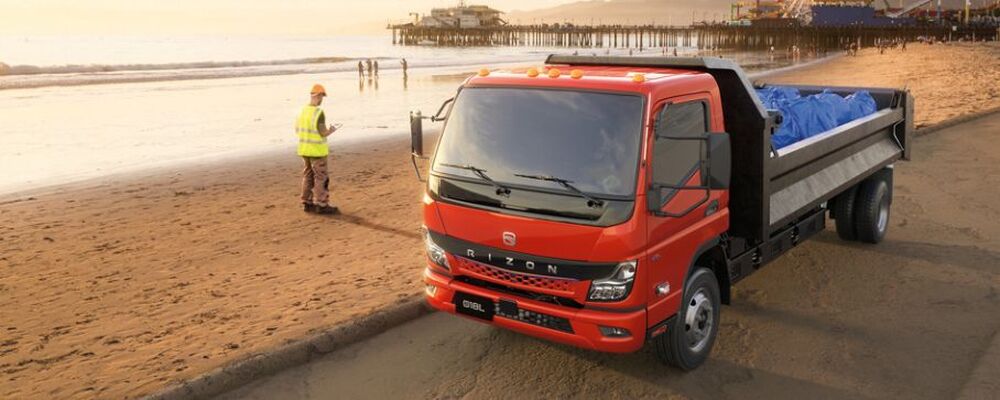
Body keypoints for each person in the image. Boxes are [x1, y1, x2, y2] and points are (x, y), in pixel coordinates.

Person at [296, 84, 339, 215]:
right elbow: (322, 132)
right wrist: (331, 130)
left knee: (308, 175)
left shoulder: (302, 110)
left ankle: (307, 202)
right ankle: (321, 203)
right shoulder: (319, 113)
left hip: (304, 149)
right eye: (322, 96)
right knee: (321, 177)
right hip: (317, 151)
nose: (322, 100)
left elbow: (297, 130)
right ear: (318, 95)